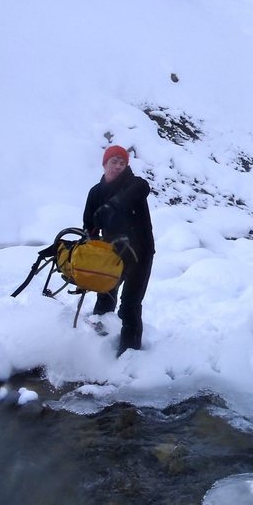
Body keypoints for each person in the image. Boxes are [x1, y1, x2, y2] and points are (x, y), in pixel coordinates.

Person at [83, 145, 155, 356]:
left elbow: (140, 190)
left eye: (122, 163)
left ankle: (129, 354)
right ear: (104, 163)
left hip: (141, 254)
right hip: (112, 255)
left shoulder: (135, 184)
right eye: (114, 161)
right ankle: (99, 350)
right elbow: (89, 223)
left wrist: (112, 206)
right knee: (105, 298)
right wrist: (90, 240)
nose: (118, 166)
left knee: (130, 304)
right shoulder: (96, 192)